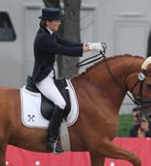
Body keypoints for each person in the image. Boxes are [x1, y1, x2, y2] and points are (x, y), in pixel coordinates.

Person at [28, 8, 104, 154]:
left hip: (50, 75)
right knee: (61, 103)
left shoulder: (50, 34)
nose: (59, 23)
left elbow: (68, 43)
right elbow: (64, 50)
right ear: (48, 22)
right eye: (56, 21)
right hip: (42, 79)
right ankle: (51, 141)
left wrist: (91, 45)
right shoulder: (42, 38)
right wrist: (90, 49)